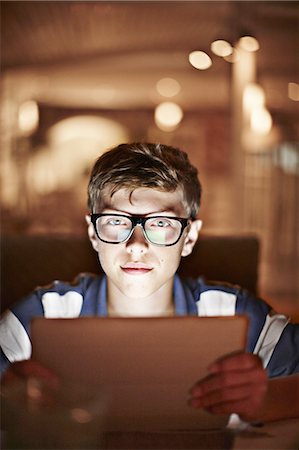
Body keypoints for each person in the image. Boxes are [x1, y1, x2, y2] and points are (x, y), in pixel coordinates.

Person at [1, 142, 299, 423]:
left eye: (160, 223)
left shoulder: (236, 314)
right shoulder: (43, 315)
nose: (137, 245)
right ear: (93, 233)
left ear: (189, 238)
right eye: (117, 221)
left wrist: (271, 398)